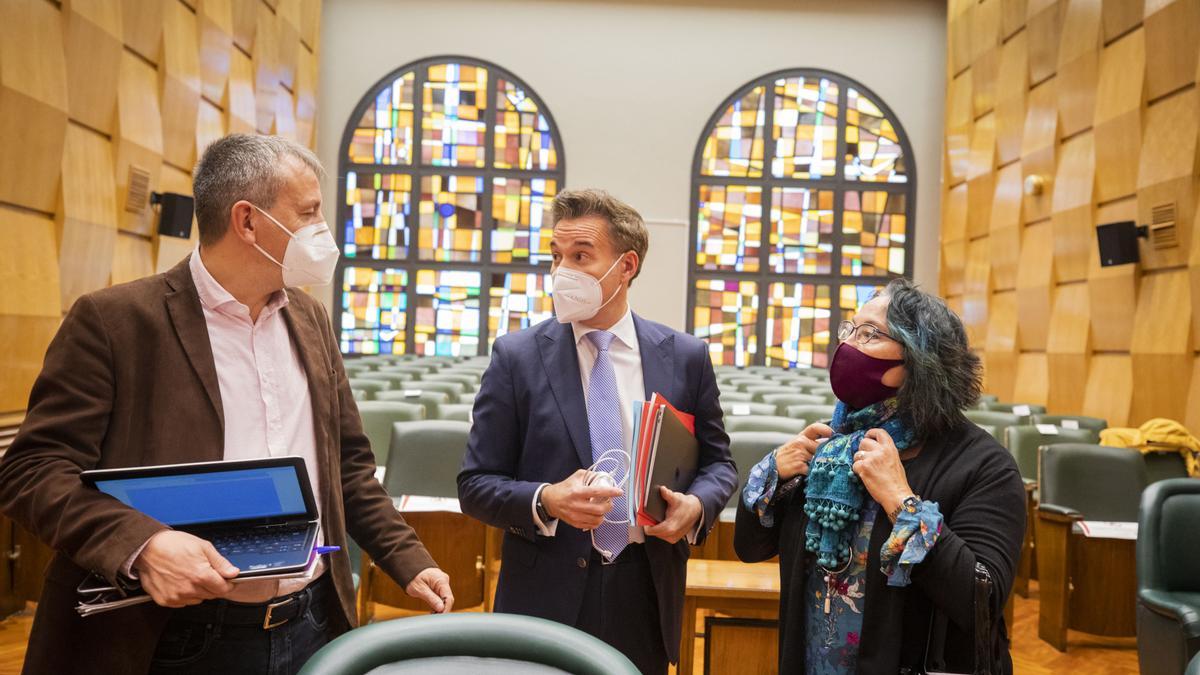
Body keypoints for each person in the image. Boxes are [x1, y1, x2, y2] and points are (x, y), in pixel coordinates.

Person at [0, 134, 453, 675]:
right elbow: (31, 472)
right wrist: (144, 545)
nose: (322, 232)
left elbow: (347, 468)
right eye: (308, 213)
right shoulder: (115, 321)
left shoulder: (310, 320)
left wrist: (406, 557)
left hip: (310, 622)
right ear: (248, 222)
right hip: (173, 633)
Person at [457, 188, 737, 674]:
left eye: (581, 256)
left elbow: (718, 464)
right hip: (545, 592)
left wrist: (696, 506)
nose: (562, 271)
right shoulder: (517, 357)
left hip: (644, 588)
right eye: (556, 255)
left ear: (626, 266)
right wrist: (546, 499)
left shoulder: (685, 357)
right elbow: (475, 484)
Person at [734, 278, 1025, 674]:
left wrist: (901, 501)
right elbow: (750, 548)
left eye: (870, 333)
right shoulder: (830, 448)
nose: (849, 345)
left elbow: (981, 602)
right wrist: (773, 475)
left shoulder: (984, 465)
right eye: (850, 329)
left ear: (923, 360)